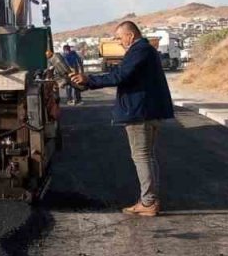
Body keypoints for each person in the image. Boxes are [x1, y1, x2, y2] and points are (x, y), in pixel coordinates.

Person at [70, 21, 174, 217]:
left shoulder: (139, 50)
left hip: (139, 113)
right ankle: (150, 199)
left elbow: (119, 75)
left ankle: (148, 202)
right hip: (148, 111)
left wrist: (89, 80)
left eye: (119, 38)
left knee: (142, 157)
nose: (118, 42)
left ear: (130, 36)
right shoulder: (145, 50)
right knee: (148, 156)